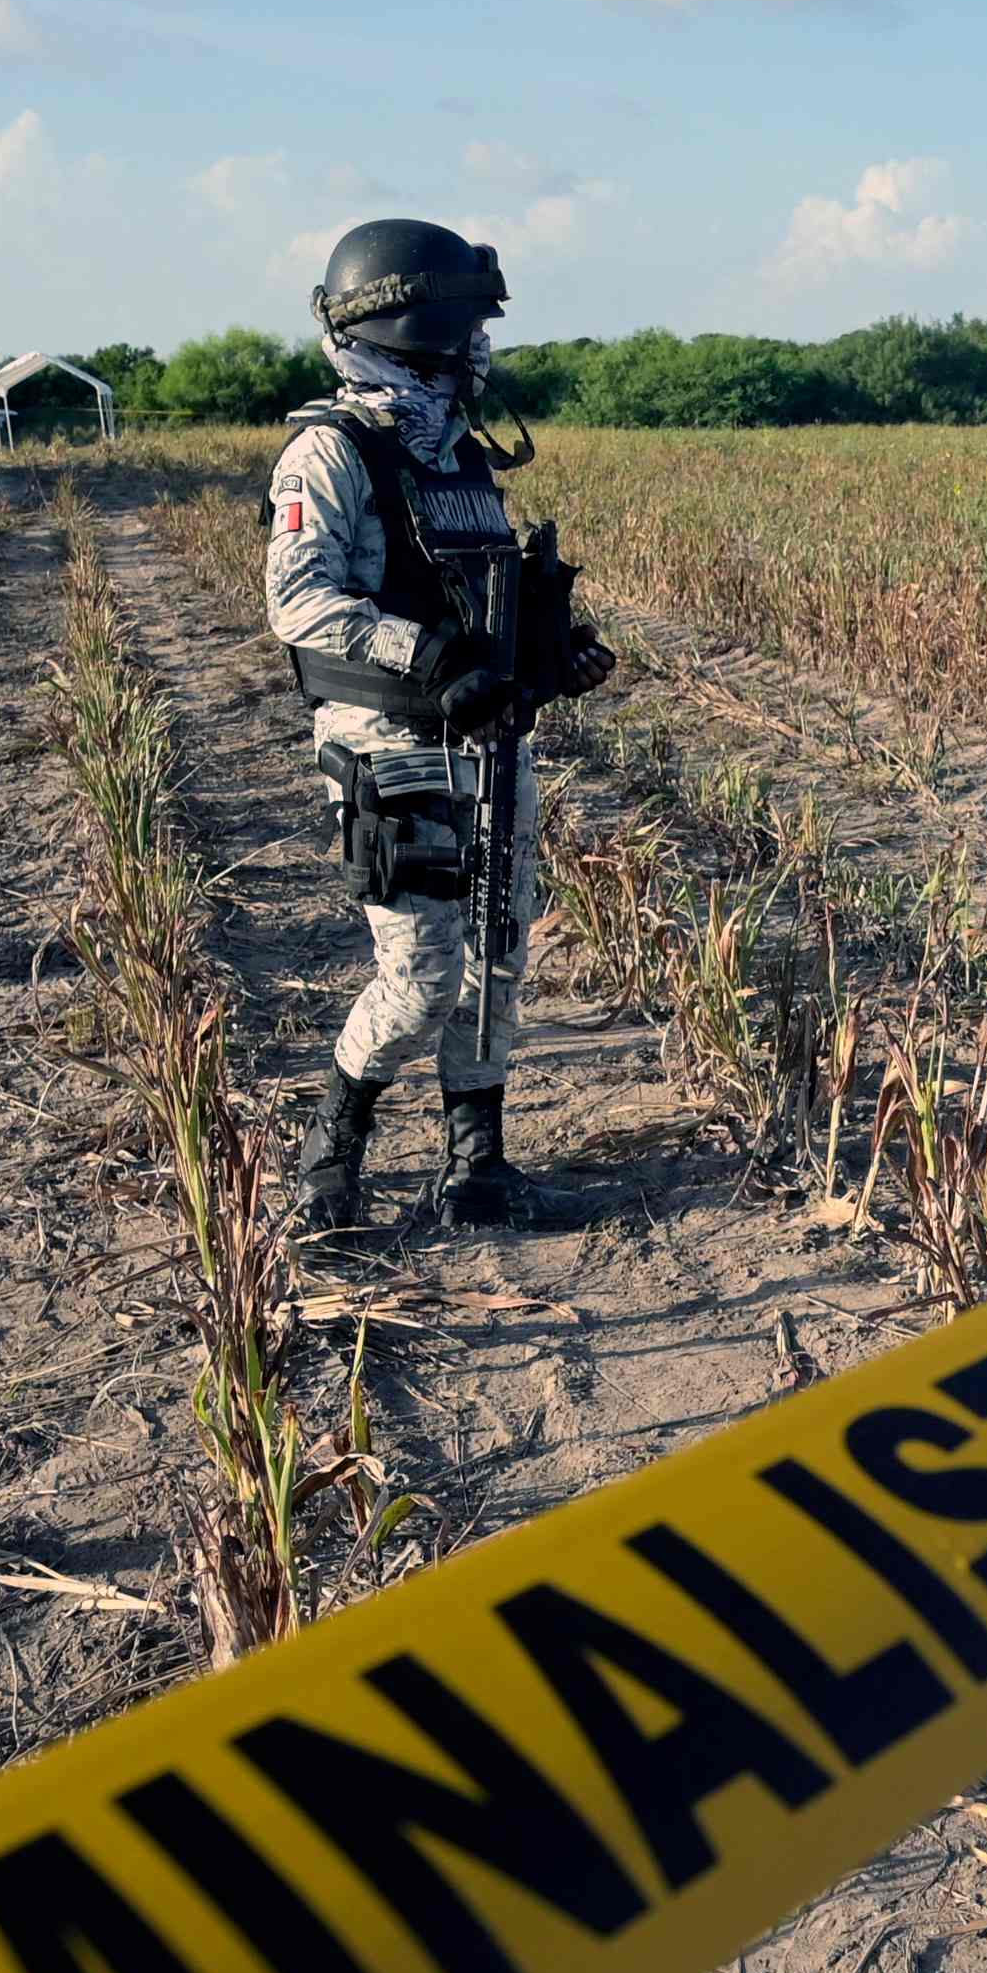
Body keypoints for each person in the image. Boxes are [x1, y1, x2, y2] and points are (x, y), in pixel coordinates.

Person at [266, 216, 611, 1234]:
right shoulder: (329, 451)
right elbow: (301, 603)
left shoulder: (457, 456)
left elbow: (483, 597)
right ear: (416, 329)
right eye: (465, 332)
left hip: (494, 743)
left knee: (499, 956)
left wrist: (551, 656)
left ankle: (478, 1167)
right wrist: (431, 660)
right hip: (393, 744)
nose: (477, 354)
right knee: (420, 976)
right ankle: (336, 1139)